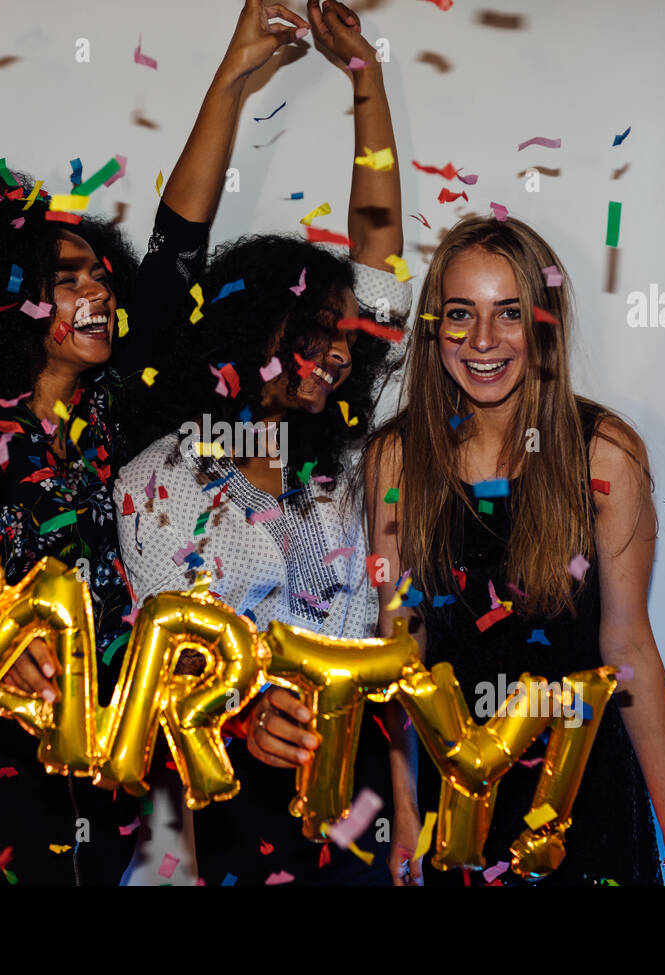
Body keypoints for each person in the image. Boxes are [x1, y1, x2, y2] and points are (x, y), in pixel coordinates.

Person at [0, 0, 311, 887]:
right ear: (17, 302)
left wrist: (234, 72)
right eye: (66, 277)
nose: (95, 286)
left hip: (118, 763)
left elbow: (178, 246)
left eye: (98, 270)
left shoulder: (122, 412)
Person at [115, 0, 419, 885]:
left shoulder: (349, 462)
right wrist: (247, 718)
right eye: (309, 332)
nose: (331, 353)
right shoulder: (160, 476)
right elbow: (170, 661)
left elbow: (378, 250)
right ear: (248, 334)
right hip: (236, 787)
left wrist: (366, 82)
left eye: (338, 334)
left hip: (364, 772)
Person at [363, 212, 665, 885]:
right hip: (460, 812)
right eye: (459, 313)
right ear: (434, 327)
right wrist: (407, 810)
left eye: (509, 313)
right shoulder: (396, 457)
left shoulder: (605, 453)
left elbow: (629, 650)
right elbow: (400, 655)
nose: (483, 340)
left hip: (584, 804)